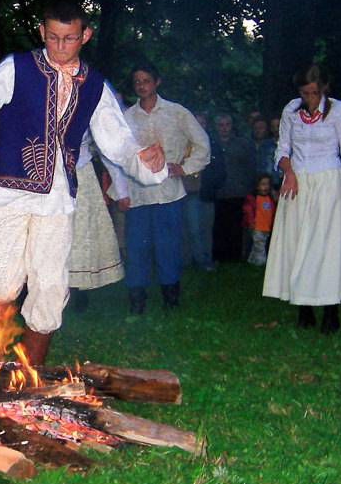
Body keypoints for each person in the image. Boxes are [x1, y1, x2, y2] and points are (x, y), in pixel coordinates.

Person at [0, 1, 167, 365]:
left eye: (69, 39)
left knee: (51, 286)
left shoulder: (95, 85)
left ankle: (31, 376)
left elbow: (117, 139)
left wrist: (144, 158)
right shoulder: (18, 67)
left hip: (58, 197)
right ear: (42, 32)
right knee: (0, 284)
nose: (59, 46)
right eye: (53, 37)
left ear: (85, 35)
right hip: (7, 188)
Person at [263, 64, 341, 334]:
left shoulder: (338, 109)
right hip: (297, 183)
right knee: (297, 242)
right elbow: (281, 149)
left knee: (325, 247)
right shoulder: (291, 110)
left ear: (324, 88)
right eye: (305, 93)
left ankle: (330, 311)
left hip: (328, 181)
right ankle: (304, 309)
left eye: (314, 93)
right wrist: (289, 171)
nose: (310, 98)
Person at [108, 62, 209, 312]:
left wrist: (184, 167)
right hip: (137, 194)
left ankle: (171, 299)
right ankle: (137, 302)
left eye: (146, 80)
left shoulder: (176, 112)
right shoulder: (127, 118)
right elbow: (116, 157)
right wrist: (120, 192)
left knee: (168, 247)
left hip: (168, 193)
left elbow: (202, 144)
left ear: (157, 82)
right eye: (137, 82)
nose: (142, 86)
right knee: (137, 247)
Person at [68, 132, 124, 310]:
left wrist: (122, 191)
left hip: (82, 174)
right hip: (47, 174)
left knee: (82, 235)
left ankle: (79, 293)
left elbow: (108, 148)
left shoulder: (90, 106)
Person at [181, 113, 226, 272]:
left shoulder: (212, 144)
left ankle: (205, 260)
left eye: (202, 123)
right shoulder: (183, 144)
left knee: (206, 228)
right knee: (190, 229)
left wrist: (211, 185)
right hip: (188, 193)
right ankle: (191, 260)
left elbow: (219, 170)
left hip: (206, 193)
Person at [213, 113, 256, 262]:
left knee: (236, 227)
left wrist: (249, 188)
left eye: (227, 125)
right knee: (220, 226)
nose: (224, 128)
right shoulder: (211, 144)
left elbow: (250, 167)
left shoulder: (242, 144)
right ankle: (220, 257)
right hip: (218, 192)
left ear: (231, 126)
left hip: (238, 191)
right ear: (216, 127)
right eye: (221, 125)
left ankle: (236, 256)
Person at [243, 174, 276, 266]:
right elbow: (248, 210)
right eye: (263, 184)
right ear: (257, 186)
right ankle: (261, 262)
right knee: (260, 245)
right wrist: (251, 222)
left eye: (267, 184)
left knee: (259, 245)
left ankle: (252, 260)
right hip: (257, 226)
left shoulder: (270, 198)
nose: (266, 187)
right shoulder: (253, 198)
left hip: (266, 227)